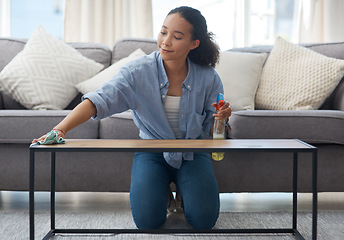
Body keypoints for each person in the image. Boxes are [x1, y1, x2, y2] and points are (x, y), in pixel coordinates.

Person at [32, 6, 232, 229]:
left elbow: (213, 130)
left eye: (177, 36)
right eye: (163, 32)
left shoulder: (209, 77)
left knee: (203, 221)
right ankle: (163, 193)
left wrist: (222, 117)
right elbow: (98, 99)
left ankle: (186, 196)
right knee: (147, 222)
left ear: (193, 43)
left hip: (193, 153)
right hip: (152, 152)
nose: (165, 41)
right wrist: (60, 129)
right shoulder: (138, 72)